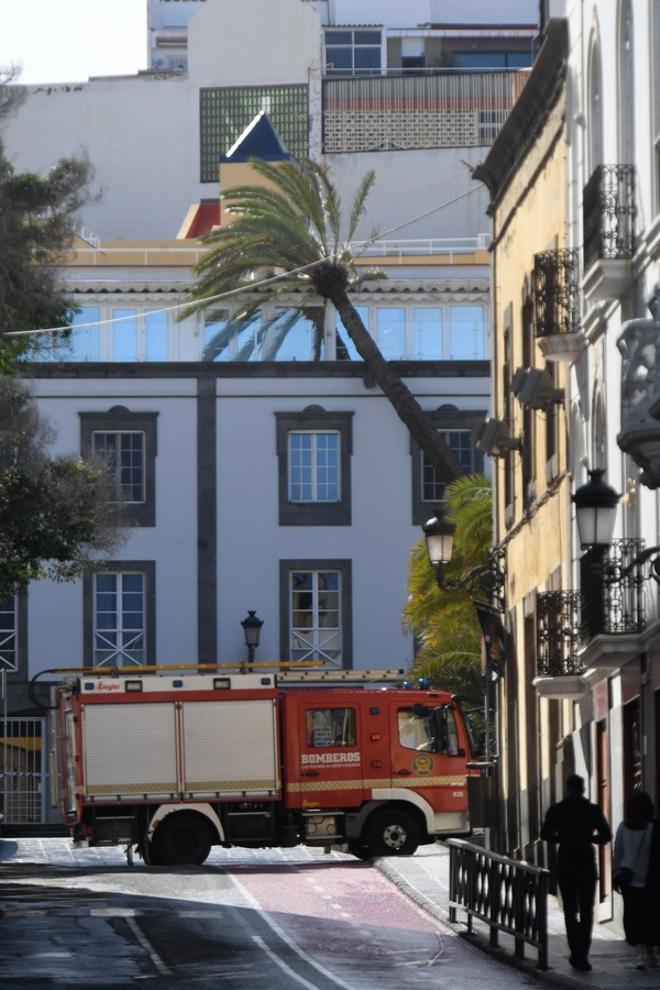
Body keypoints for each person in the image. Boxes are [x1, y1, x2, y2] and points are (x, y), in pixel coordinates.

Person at [541, 774, 612, 972]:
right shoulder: (592, 810)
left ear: (568, 789)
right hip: (586, 862)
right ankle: (582, 954)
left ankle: (575, 951)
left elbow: (544, 834)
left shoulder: (556, 810)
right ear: (582, 789)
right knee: (587, 910)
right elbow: (606, 834)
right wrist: (591, 839)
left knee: (570, 910)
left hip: (566, 862)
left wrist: (561, 838)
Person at [613, 791, 659, 969]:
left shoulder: (623, 827)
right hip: (649, 880)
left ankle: (641, 954)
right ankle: (653, 952)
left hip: (628, 880)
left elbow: (618, 852)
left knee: (633, 917)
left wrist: (616, 872)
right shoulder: (652, 828)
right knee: (651, 916)